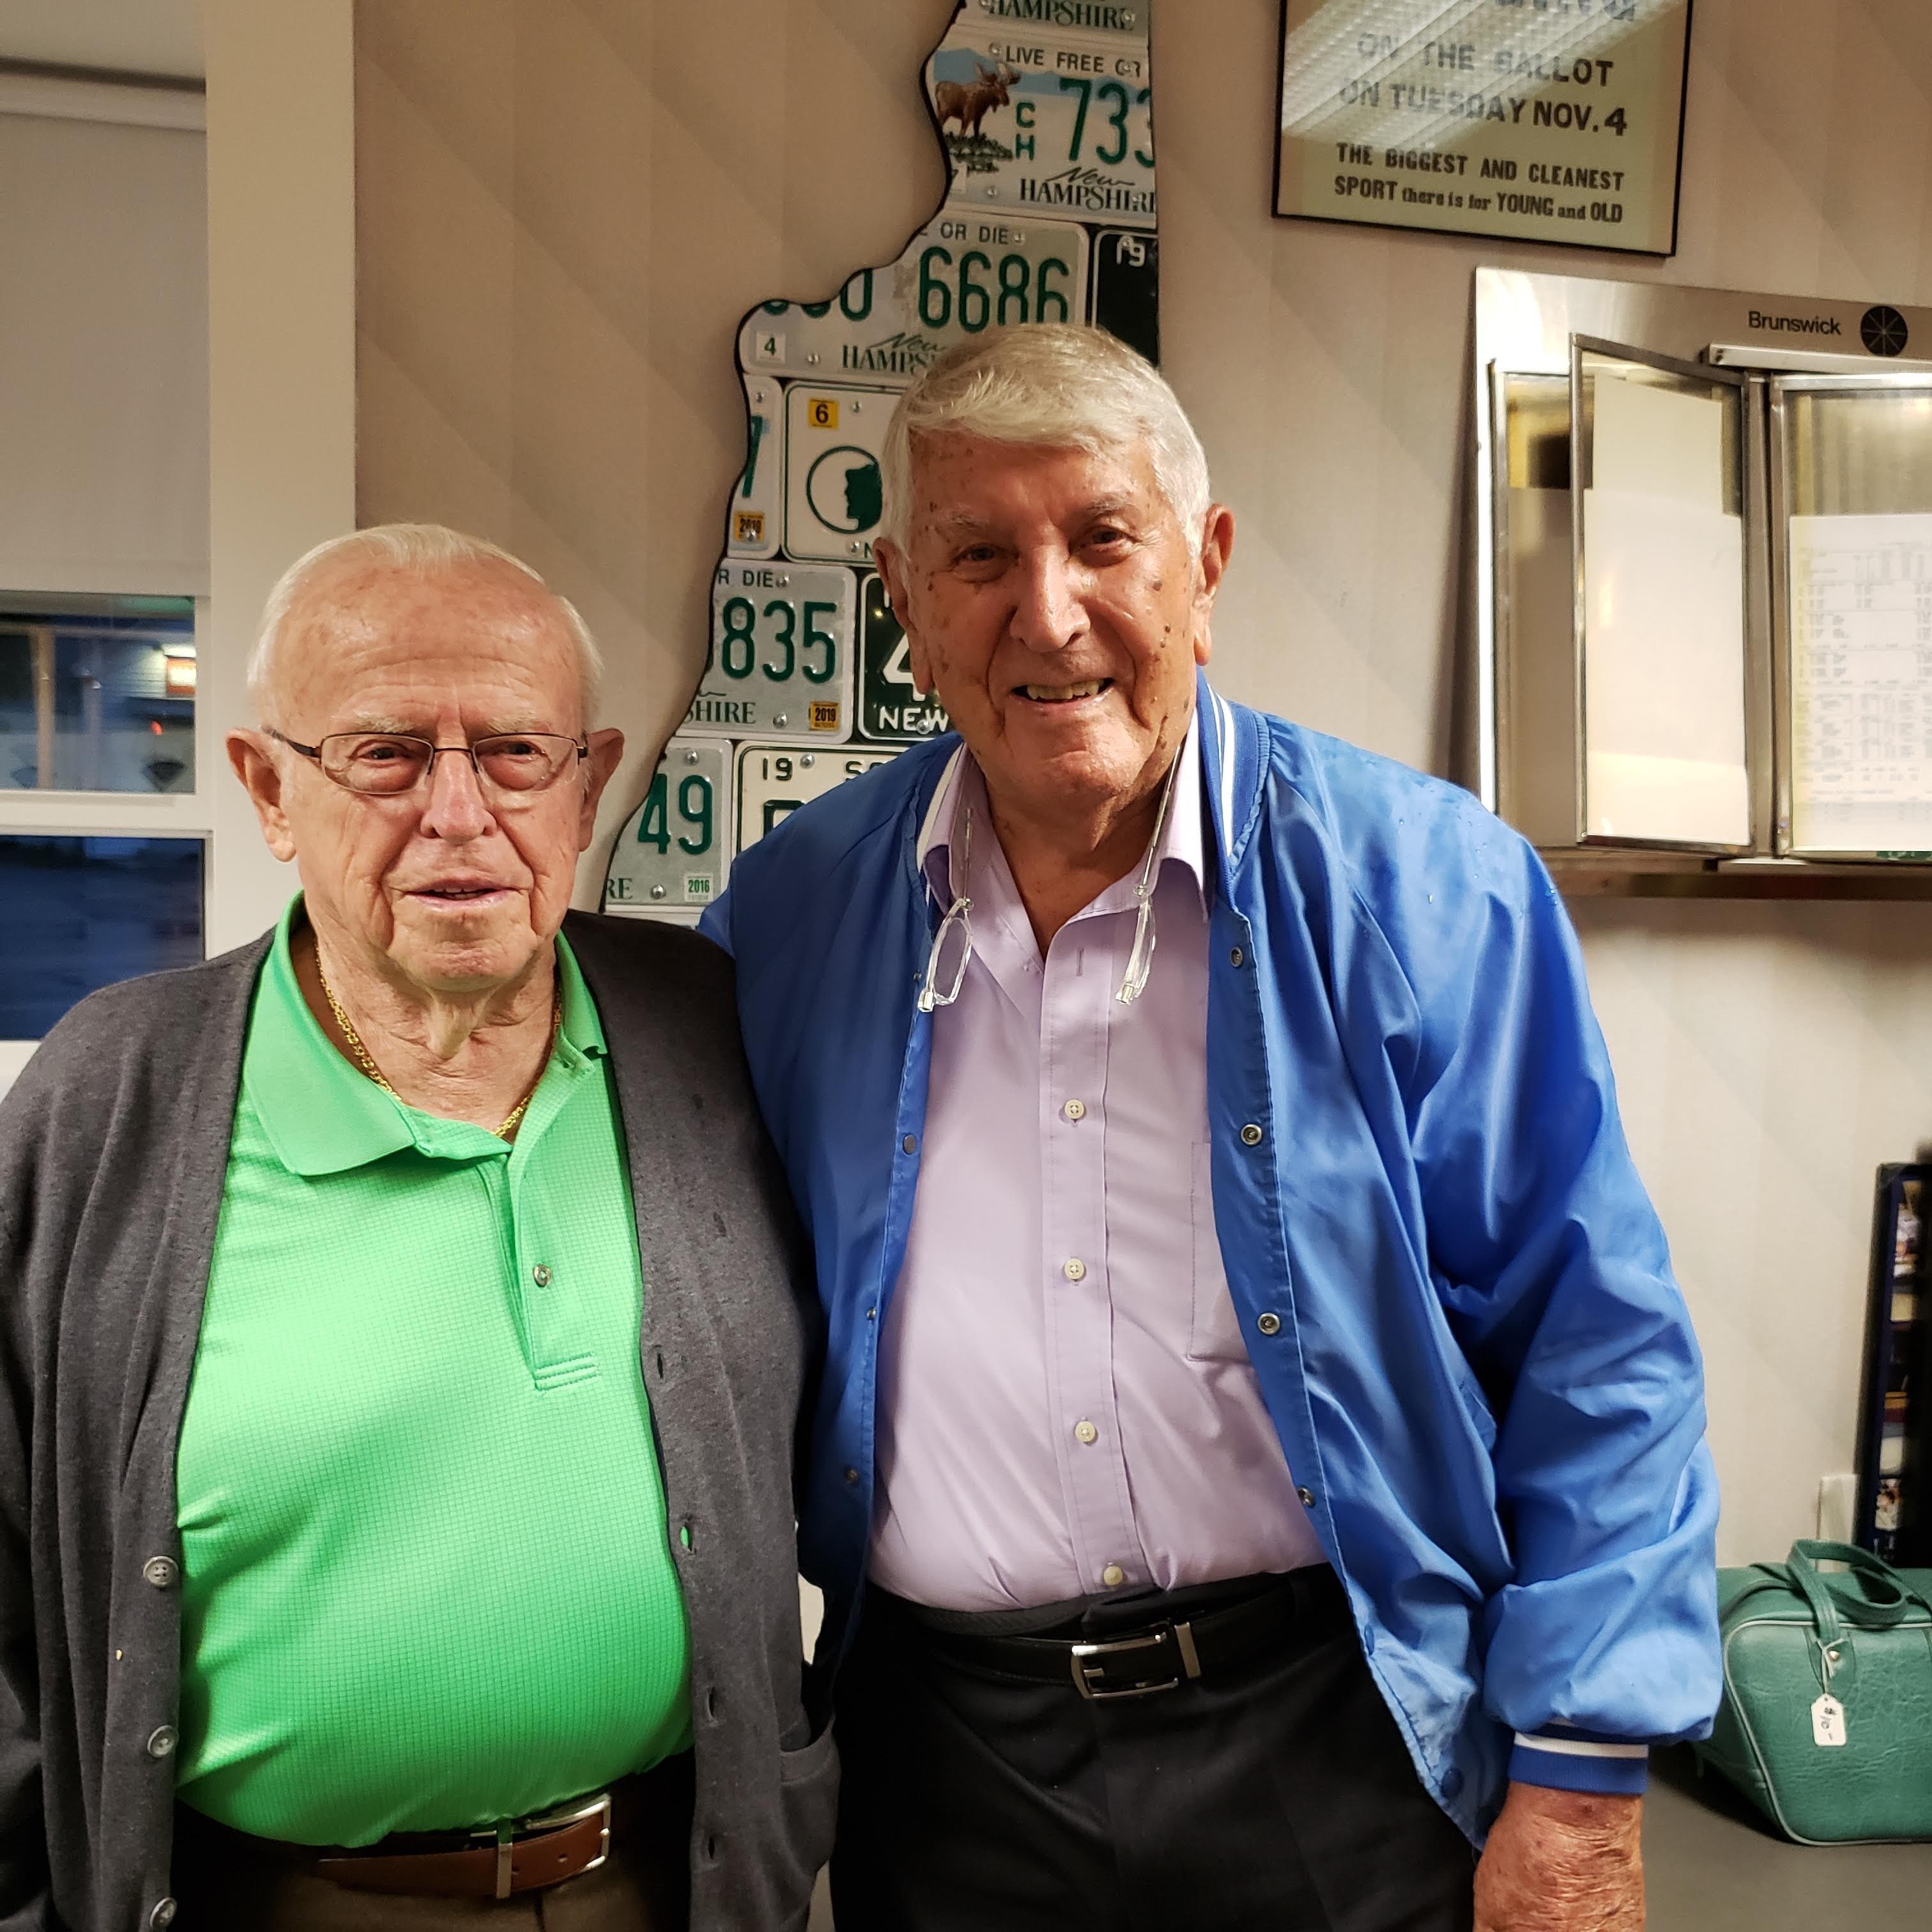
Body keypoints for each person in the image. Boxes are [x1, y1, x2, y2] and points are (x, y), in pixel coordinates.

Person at [701, 327, 1719, 1932]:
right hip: (949, 1762)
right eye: (981, 555)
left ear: (1205, 564)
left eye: (1104, 538)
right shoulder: (794, 911)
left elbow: (1597, 1345)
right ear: (905, 599)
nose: (1049, 614)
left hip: (1336, 1735)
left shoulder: (1430, 888)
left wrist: (1580, 1778)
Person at [0, 526, 834, 1932]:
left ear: (589, 783)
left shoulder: (706, 1035)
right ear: (269, 788)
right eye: (385, 754)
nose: (460, 814)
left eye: (517, 753)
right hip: (273, 1901)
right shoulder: (112, 1098)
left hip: (674, 1882)